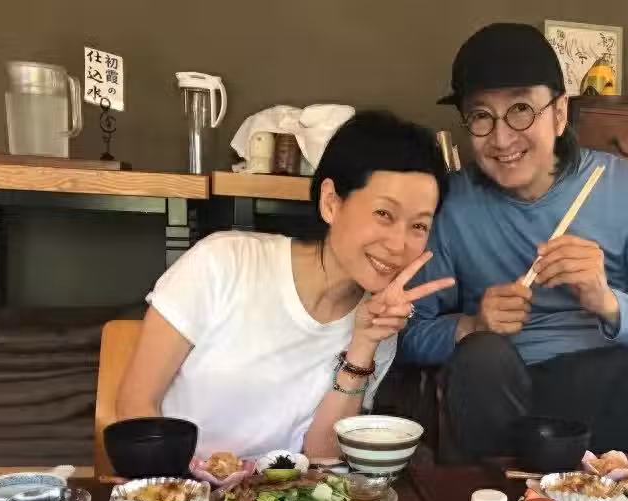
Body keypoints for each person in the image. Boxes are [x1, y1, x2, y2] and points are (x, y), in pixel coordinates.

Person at [399, 23, 628, 459]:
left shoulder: (626, 187)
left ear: (559, 113)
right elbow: (409, 335)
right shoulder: (451, 202)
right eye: (482, 116)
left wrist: (608, 302)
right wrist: (473, 325)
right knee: (479, 357)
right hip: (518, 396)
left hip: (622, 385)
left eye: (521, 109)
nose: (502, 138)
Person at [116, 111, 455, 459]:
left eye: (419, 226)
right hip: (180, 484)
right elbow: (135, 405)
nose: (399, 244)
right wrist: (180, 488)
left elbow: (323, 457)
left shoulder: (379, 322)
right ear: (331, 202)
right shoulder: (222, 263)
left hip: (291, 492)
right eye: (384, 214)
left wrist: (363, 344)